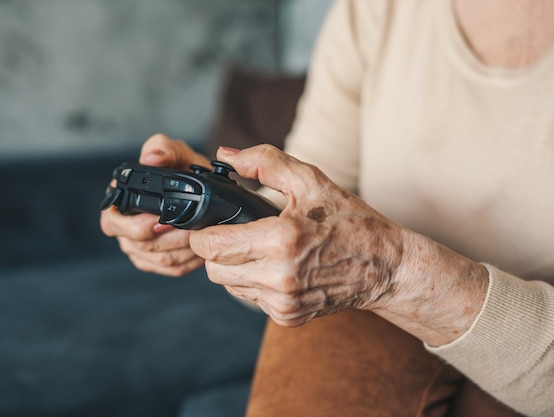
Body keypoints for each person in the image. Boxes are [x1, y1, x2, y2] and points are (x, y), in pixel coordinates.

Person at [100, 0, 554, 416]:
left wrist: (393, 270)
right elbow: (305, 207)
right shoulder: (375, 10)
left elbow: (356, 256)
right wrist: (223, 212)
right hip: (374, 320)